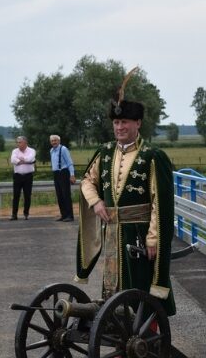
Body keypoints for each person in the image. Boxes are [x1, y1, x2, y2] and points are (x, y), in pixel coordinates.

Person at [74, 93, 176, 317]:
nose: (119, 127)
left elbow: (161, 202)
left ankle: (148, 336)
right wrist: (96, 201)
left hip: (138, 233)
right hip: (112, 232)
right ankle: (118, 333)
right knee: (112, 289)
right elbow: (87, 181)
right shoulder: (105, 152)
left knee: (141, 288)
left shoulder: (153, 156)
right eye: (116, 122)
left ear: (137, 123)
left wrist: (153, 239)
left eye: (124, 122)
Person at [49, 135, 76, 222]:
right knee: (59, 195)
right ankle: (63, 215)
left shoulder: (63, 149)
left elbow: (69, 162)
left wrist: (72, 175)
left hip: (63, 172)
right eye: (52, 141)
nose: (54, 142)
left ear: (59, 141)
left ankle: (70, 215)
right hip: (56, 173)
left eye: (55, 140)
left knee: (66, 195)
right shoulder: (51, 151)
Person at [10, 136, 36, 220]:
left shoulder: (32, 150)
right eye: (17, 142)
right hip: (17, 176)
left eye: (20, 142)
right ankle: (14, 214)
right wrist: (23, 161)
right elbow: (13, 160)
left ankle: (26, 213)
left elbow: (30, 158)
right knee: (16, 195)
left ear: (25, 142)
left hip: (28, 176)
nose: (18, 144)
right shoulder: (15, 151)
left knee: (27, 195)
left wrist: (22, 160)